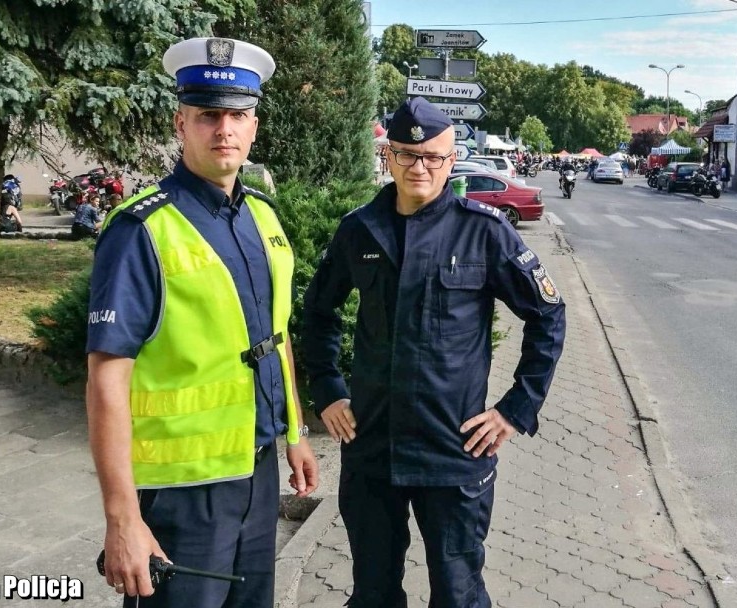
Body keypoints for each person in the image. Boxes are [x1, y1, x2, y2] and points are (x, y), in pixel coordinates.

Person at [301, 97, 566, 608]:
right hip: (373, 445)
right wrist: (329, 391)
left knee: (458, 592)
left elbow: (548, 315)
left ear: (450, 160)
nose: (419, 167)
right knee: (372, 592)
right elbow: (319, 313)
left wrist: (515, 410)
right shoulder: (359, 229)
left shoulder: (485, 231)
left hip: (455, 449)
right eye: (406, 154)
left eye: (433, 157)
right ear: (389, 157)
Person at [85, 36, 318, 608]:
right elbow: (106, 379)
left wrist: (295, 432)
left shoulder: (262, 218)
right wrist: (122, 520)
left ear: (254, 126)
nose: (224, 130)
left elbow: (275, 337)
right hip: (181, 497)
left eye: (237, 115)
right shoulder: (141, 231)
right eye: (208, 115)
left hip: (258, 474)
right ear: (180, 123)